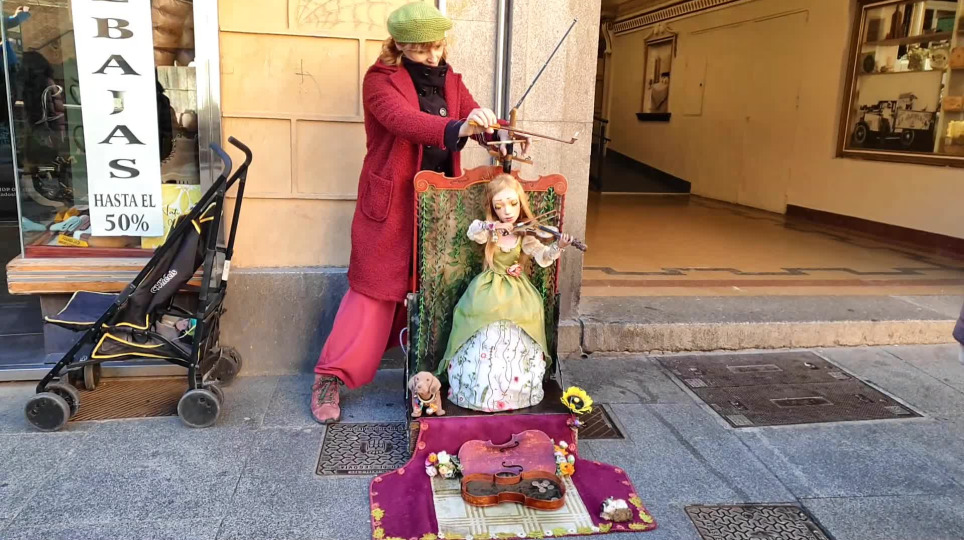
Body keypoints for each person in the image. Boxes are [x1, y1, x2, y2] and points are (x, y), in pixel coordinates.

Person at [310, 2, 525, 423]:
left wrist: (499, 132)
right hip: (393, 203)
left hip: (442, 204)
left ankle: (435, 375)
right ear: (400, 45)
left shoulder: (452, 80)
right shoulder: (379, 80)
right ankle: (330, 376)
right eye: (421, 49)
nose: (432, 56)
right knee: (372, 292)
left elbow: (475, 119)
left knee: (437, 289)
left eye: (437, 47)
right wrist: (460, 127)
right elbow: (405, 121)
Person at [439, 174, 572, 412]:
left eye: (512, 203)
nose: (507, 211)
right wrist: (493, 225)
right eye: (499, 206)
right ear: (492, 208)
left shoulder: (524, 233)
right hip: (489, 286)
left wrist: (558, 247)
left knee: (528, 314)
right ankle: (479, 387)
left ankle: (516, 390)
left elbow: (543, 256)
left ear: (521, 203)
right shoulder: (491, 231)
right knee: (478, 315)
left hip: (517, 288)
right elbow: (473, 231)